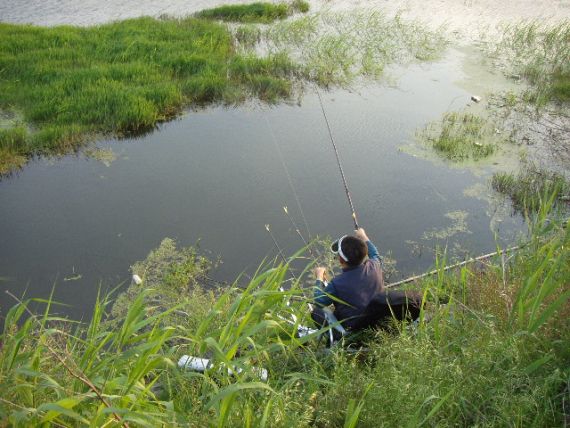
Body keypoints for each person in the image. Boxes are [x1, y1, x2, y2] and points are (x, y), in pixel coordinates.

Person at [312, 227, 384, 330]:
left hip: (354, 327)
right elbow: (375, 254)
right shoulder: (374, 266)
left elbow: (319, 301)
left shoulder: (337, 283)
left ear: (341, 260)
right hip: (376, 320)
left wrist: (319, 277)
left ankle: (339, 338)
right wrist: (364, 237)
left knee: (316, 313)